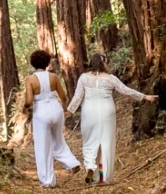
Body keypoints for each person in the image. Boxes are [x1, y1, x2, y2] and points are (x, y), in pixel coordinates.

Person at [67, 53, 156, 184]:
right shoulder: (110, 78)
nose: (107, 65)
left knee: (90, 142)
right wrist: (145, 96)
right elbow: (126, 90)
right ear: (102, 63)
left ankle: (91, 167)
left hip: (89, 112)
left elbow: (77, 97)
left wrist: (69, 111)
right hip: (107, 112)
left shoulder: (84, 78)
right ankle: (103, 177)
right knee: (106, 144)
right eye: (106, 62)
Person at [23, 49, 81, 187]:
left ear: (33, 63)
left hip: (41, 112)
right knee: (58, 140)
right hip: (56, 109)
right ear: (47, 63)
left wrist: (24, 107)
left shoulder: (30, 79)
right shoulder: (53, 77)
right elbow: (63, 96)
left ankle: (48, 181)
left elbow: (30, 100)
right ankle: (72, 162)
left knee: (43, 147)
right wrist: (65, 108)